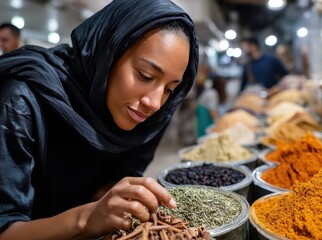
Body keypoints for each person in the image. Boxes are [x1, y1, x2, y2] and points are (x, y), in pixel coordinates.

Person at [0, 0, 199, 239]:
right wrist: (86, 219)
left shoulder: (147, 117)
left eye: (169, 89)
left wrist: (116, 197)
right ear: (108, 54)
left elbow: (106, 185)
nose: (155, 103)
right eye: (145, 76)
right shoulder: (21, 102)